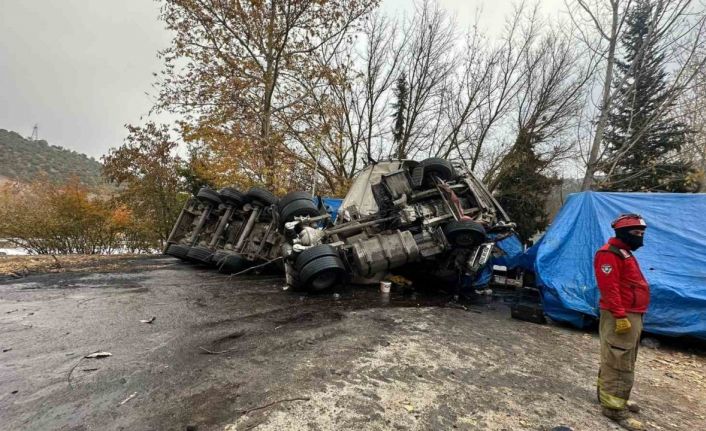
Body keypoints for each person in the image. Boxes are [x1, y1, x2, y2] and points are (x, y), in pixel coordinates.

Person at [594, 214, 650, 431]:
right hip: (622, 314)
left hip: (632, 313)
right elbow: (609, 288)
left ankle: (613, 398)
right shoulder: (609, 254)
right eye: (636, 233)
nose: (640, 237)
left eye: (642, 233)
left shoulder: (624, 253)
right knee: (618, 360)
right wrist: (619, 315)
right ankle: (614, 409)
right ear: (623, 233)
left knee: (621, 358)